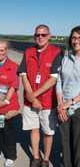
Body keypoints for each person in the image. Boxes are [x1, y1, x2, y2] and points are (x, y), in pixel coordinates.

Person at [18, 24, 61, 167]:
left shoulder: (56, 52)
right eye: (37, 35)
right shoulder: (28, 51)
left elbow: (53, 79)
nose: (40, 37)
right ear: (34, 36)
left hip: (48, 101)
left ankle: (46, 159)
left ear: (49, 36)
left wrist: (34, 96)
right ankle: (36, 157)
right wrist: (32, 98)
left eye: (43, 35)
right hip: (30, 102)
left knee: (48, 132)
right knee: (34, 129)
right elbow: (23, 75)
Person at [56, 26, 80, 167]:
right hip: (63, 107)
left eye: (79, 38)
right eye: (74, 37)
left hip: (77, 108)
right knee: (64, 142)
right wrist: (60, 104)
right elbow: (59, 80)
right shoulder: (66, 57)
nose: (76, 40)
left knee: (77, 145)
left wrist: (69, 103)